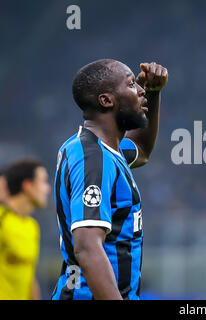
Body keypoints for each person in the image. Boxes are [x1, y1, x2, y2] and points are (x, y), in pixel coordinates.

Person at [51, 59, 168, 300]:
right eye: (132, 85)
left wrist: (154, 93)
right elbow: (87, 248)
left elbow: (142, 150)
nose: (141, 90)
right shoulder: (93, 159)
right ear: (106, 100)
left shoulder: (99, 150)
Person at [0, 159, 50, 300]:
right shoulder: (2, 221)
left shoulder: (32, 226)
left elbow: (29, 276)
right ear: (28, 185)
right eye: (43, 182)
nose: (47, 189)